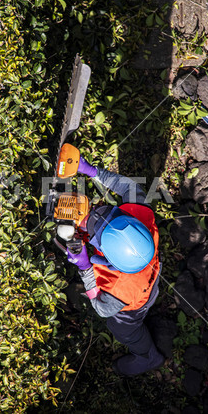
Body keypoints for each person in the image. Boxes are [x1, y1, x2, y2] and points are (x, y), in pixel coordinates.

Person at [66, 153, 165, 377]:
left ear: (110, 261)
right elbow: (127, 186)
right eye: (109, 214)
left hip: (133, 305)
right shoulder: (139, 216)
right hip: (152, 273)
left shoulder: (119, 290)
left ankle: (148, 357)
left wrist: (84, 268)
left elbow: (102, 309)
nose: (92, 220)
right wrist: (90, 170)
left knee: (121, 329)